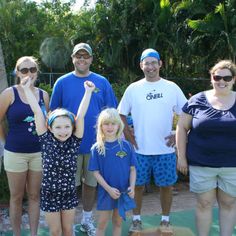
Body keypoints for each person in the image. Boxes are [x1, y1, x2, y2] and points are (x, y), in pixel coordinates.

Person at [50, 42, 117, 235]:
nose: (81, 59)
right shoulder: (62, 82)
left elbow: (110, 112)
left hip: (96, 145)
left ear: (91, 59)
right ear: (72, 59)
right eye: (78, 56)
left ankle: (87, 220)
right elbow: (53, 114)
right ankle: (67, 222)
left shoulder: (102, 82)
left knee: (91, 184)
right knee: (70, 186)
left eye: (85, 56)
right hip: (68, 146)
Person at [118, 48, 187, 233]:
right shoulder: (133, 89)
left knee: (166, 186)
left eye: (153, 62)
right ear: (141, 65)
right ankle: (137, 220)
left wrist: (177, 134)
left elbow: (186, 113)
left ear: (160, 64)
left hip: (165, 150)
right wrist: (129, 136)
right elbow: (121, 114)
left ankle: (165, 221)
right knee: (138, 186)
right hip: (140, 151)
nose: (150, 66)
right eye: (146, 63)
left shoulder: (171, 87)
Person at [22, 76, 95, 236]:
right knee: (56, 231)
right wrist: (27, 89)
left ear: (72, 127)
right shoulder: (46, 139)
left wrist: (88, 92)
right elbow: (36, 111)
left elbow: (80, 116)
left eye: (67, 126)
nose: (63, 131)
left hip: (68, 192)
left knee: (68, 230)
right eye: (58, 127)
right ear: (50, 127)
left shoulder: (74, 141)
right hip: (49, 193)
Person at [176, 60, 236, 236]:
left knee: (229, 204)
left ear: (233, 79)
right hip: (201, 163)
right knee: (204, 203)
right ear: (212, 77)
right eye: (217, 77)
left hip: (232, 165)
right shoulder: (197, 100)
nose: (222, 81)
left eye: (227, 77)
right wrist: (181, 157)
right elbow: (181, 128)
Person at [0, 56, 49, 236]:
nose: (29, 73)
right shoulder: (9, 93)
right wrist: (7, 142)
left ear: (37, 72)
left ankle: (34, 234)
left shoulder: (44, 95)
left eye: (33, 69)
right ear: (17, 72)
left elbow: (47, 124)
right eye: (24, 70)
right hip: (15, 154)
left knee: (35, 196)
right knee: (16, 197)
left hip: (39, 153)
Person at [88, 108, 136, 236]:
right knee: (102, 224)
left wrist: (132, 186)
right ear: (100, 126)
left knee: (118, 223)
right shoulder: (97, 148)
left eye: (113, 123)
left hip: (122, 192)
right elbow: (96, 173)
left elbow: (132, 169)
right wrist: (109, 189)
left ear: (119, 125)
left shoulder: (126, 146)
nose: (110, 127)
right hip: (106, 192)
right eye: (106, 123)